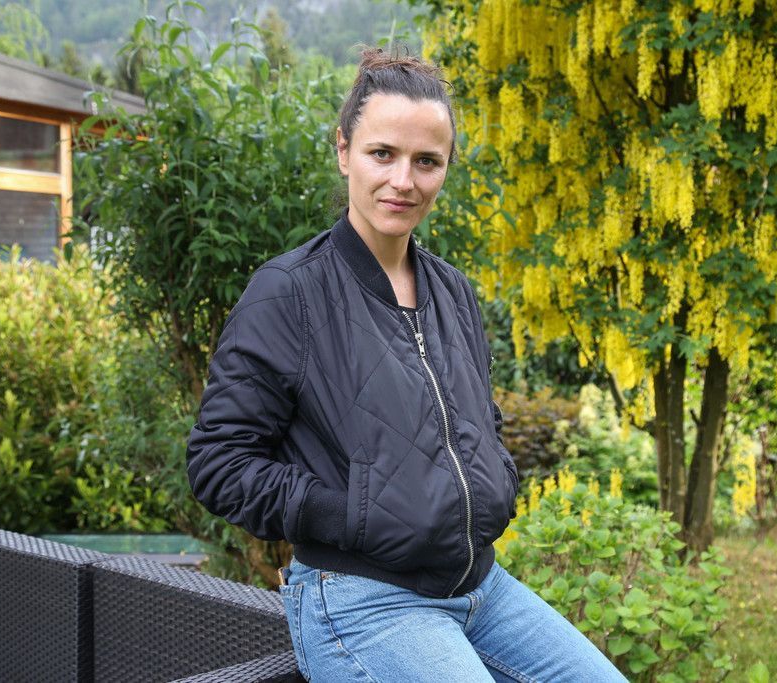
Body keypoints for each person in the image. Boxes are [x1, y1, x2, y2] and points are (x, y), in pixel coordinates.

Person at [187, 48, 626, 682]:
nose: (404, 181)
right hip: (362, 600)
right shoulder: (289, 292)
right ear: (344, 151)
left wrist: (496, 478)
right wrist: (349, 515)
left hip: (482, 590)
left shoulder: (452, 291)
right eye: (382, 154)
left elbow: (478, 420)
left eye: (427, 161)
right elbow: (219, 463)